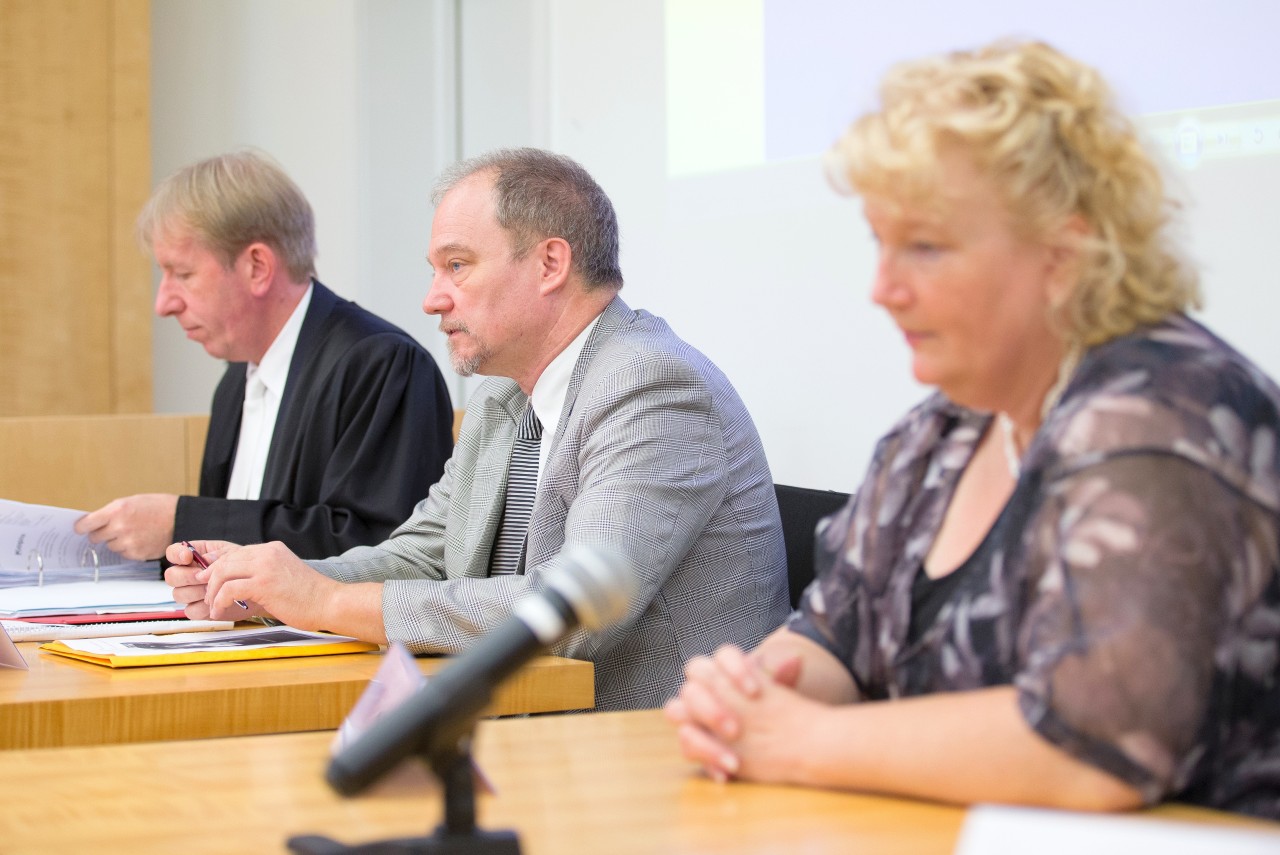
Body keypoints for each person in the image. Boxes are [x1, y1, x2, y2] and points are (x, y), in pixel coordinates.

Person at [665, 40, 1280, 819]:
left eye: (925, 246)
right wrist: (746, 697)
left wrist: (793, 741)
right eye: (880, 243)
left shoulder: (1165, 417)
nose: (883, 288)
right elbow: (830, 637)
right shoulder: (940, 433)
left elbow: (1091, 745)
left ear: (1065, 251)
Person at [164, 148, 791, 711]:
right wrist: (271, 585)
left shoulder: (652, 386)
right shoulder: (502, 397)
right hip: (529, 734)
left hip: (655, 762)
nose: (432, 299)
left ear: (550, 263)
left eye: (456, 266)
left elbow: (575, 614)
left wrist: (324, 603)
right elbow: (428, 554)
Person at [76, 151, 454, 561]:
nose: (163, 303)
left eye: (182, 274)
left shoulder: (382, 365)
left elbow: (384, 549)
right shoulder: (234, 380)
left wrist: (182, 523)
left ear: (257, 267)